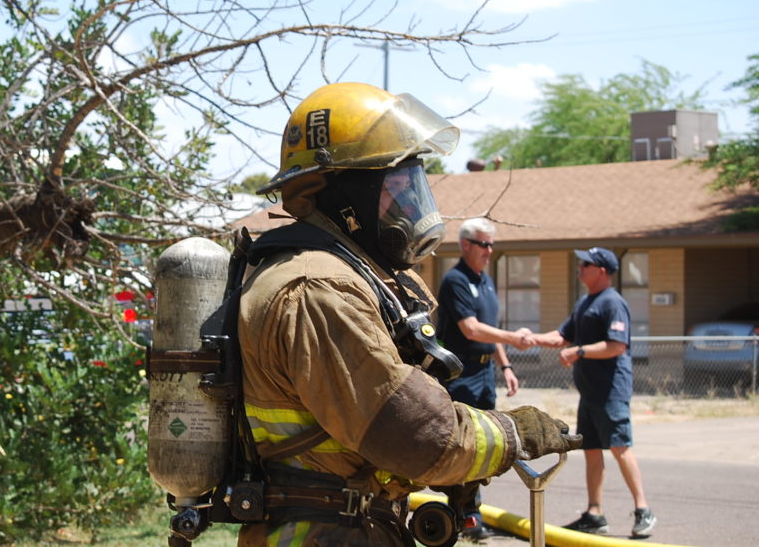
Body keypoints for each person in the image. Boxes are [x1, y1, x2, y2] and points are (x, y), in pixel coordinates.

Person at [236, 82, 580, 547]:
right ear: (344, 196)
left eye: (412, 187)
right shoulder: (318, 289)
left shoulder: (356, 276)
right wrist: (513, 433)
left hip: (351, 523)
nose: (411, 207)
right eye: (395, 189)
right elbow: (419, 439)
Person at [532, 246, 657, 539]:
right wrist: (529, 339)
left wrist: (579, 351)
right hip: (588, 393)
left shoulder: (613, 303)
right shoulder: (585, 302)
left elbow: (616, 346)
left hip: (611, 391)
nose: (580, 267)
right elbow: (561, 336)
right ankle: (594, 514)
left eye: (585, 264)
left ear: (601, 271)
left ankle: (643, 510)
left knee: (620, 447)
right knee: (590, 450)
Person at [436, 217, 535, 541]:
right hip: (461, 373)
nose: (489, 251)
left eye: (491, 245)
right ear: (466, 245)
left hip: (485, 374)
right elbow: (471, 329)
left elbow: (489, 333)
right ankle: (463, 515)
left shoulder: (486, 282)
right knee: (464, 445)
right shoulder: (456, 281)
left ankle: (470, 511)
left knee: (486, 444)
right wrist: (514, 338)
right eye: (483, 244)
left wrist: (506, 367)